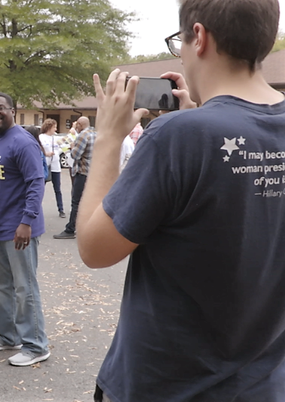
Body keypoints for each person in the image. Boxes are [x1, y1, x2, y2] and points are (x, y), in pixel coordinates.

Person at [76, 0, 285, 400]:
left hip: (167, 385)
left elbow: (94, 248)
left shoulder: (178, 136)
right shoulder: (194, 131)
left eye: (180, 43)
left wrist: (107, 138)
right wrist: (202, 116)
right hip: (262, 385)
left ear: (200, 37)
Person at [0, 93, 50, 367]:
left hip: (19, 228)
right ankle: (8, 335)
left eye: (0, 109)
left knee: (25, 287)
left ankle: (35, 345)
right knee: (4, 286)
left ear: (13, 110)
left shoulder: (23, 141)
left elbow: (36, 182)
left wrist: (27, 221)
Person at [53, 116, 95, 239]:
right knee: (88, 201)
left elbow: (76, 155)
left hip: (82, 172)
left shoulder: (83, 135)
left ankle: (71, 229)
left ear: (80, 125)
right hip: (92, 172)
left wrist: (72, 147)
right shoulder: (95, 133)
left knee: (76, 201)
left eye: (77, 125)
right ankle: (87, 228)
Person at [39, 119, 66, 218]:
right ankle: (37, 207)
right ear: (49, 127)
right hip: (45, 165)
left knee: (57, 189)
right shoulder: (41, 137)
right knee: (41, 187)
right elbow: (39, 149)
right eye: (54, 127)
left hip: (55, 165)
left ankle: (61, 209)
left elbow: (64, 147)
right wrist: (46, 154)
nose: (56, 129)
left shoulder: (56, 138)